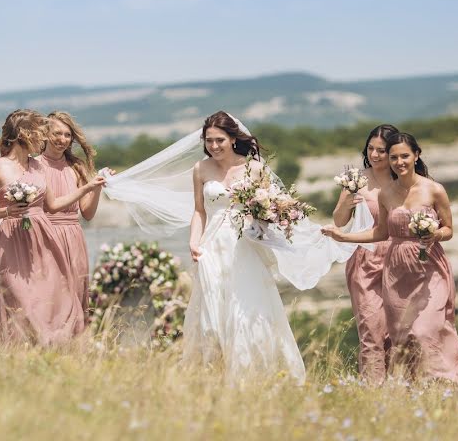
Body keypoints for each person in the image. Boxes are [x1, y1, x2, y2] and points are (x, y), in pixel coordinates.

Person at [103, 111, 358, 382]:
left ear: (233, 138)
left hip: (244, 245)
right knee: (212, 312)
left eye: (219, 140)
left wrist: (265, 214)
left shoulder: (254, 169)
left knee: (246, 307)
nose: (213, 146)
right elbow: (199, 211)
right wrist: (194, 241)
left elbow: (272, 210)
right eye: (209, 141)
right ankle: (215, 373)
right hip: (212, 245)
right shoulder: (200, 169)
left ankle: (251, 375)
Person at [322, 132, 458, 385]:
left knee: (421, 330)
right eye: (372, 149)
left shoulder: (430, 188)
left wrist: (434, 233)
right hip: (384, 265)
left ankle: (449, 378)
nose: (378, 156)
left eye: (399, 155)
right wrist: (344, 235)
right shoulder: (375, 188)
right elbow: (374, 230)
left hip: (423, 264)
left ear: (414, 155)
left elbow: (448, 229)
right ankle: (387, 389)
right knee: (384, 334)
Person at [0, 110, 106, 345]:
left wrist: (89, 188)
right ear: (24, 134)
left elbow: (54, 204)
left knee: (52, 298)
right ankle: (18, 346)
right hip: (13, 240)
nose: (43, 138)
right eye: (40, 134)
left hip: (43, 238)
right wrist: (6, 211)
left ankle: (53, 345)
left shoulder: (37, 168)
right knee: (20, 298)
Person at [332, 124, 398, 383]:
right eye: (370, 149)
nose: (374, 154)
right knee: (371, 329)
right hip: (365, 258)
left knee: (398, 331)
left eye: (381, 150)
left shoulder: (402, 178)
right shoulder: (356, 180)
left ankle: (400, 386)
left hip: (399, 257)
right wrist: (346, 203)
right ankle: (373, 391)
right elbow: (338, 220)